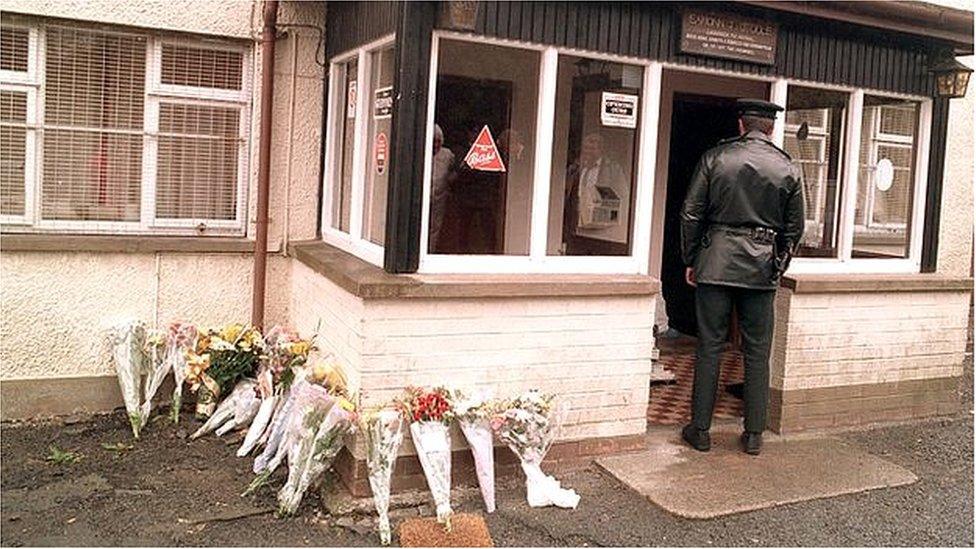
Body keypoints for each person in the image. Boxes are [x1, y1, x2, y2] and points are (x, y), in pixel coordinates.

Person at [679, 99, 805, 456]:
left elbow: (691, 213)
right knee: (757, 351)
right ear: (771, 129)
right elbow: (796, 228)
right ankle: (753, 435)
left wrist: (692, 258)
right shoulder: (787, 166)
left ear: (740, 125)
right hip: (761, 265)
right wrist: (777, 264)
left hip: (715, 260)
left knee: (710, 347)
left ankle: (700, 431)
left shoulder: (715, 158)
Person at [562, 132, 627, 254]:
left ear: (601, 150)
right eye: (586, 148)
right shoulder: (576, 168)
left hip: (601, 232)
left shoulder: (613, 168)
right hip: (577, 229)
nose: (588, 151)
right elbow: (566, 194)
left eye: (592, 148)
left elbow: (623, 195)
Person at [428, 123, 455, 253]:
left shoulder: (447, 155)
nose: (435, 145)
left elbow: (453, 172)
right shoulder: (423, 153)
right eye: (433, 141)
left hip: (440, 196)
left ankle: (430, 251)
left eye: (438, 141)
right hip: (423, 196)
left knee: (435, 227)